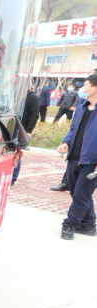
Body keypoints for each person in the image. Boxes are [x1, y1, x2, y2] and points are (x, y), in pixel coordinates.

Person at [56, 72, 97, 240]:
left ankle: (69, 224)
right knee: (78, 193)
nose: (82, 89)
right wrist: (66, 142)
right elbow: (73, 128)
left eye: (85, 85)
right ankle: (89, 224)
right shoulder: (81, 107)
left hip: (91, 162)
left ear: (95, 88)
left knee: (81, 195)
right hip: (74, 157)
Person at [12, 87, 40, 185]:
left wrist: (28, 131)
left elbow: (34, 115)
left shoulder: (32, 97)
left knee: (17, 151)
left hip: (21, 129)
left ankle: (13, 177)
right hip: (11, 127)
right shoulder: (13, 94)